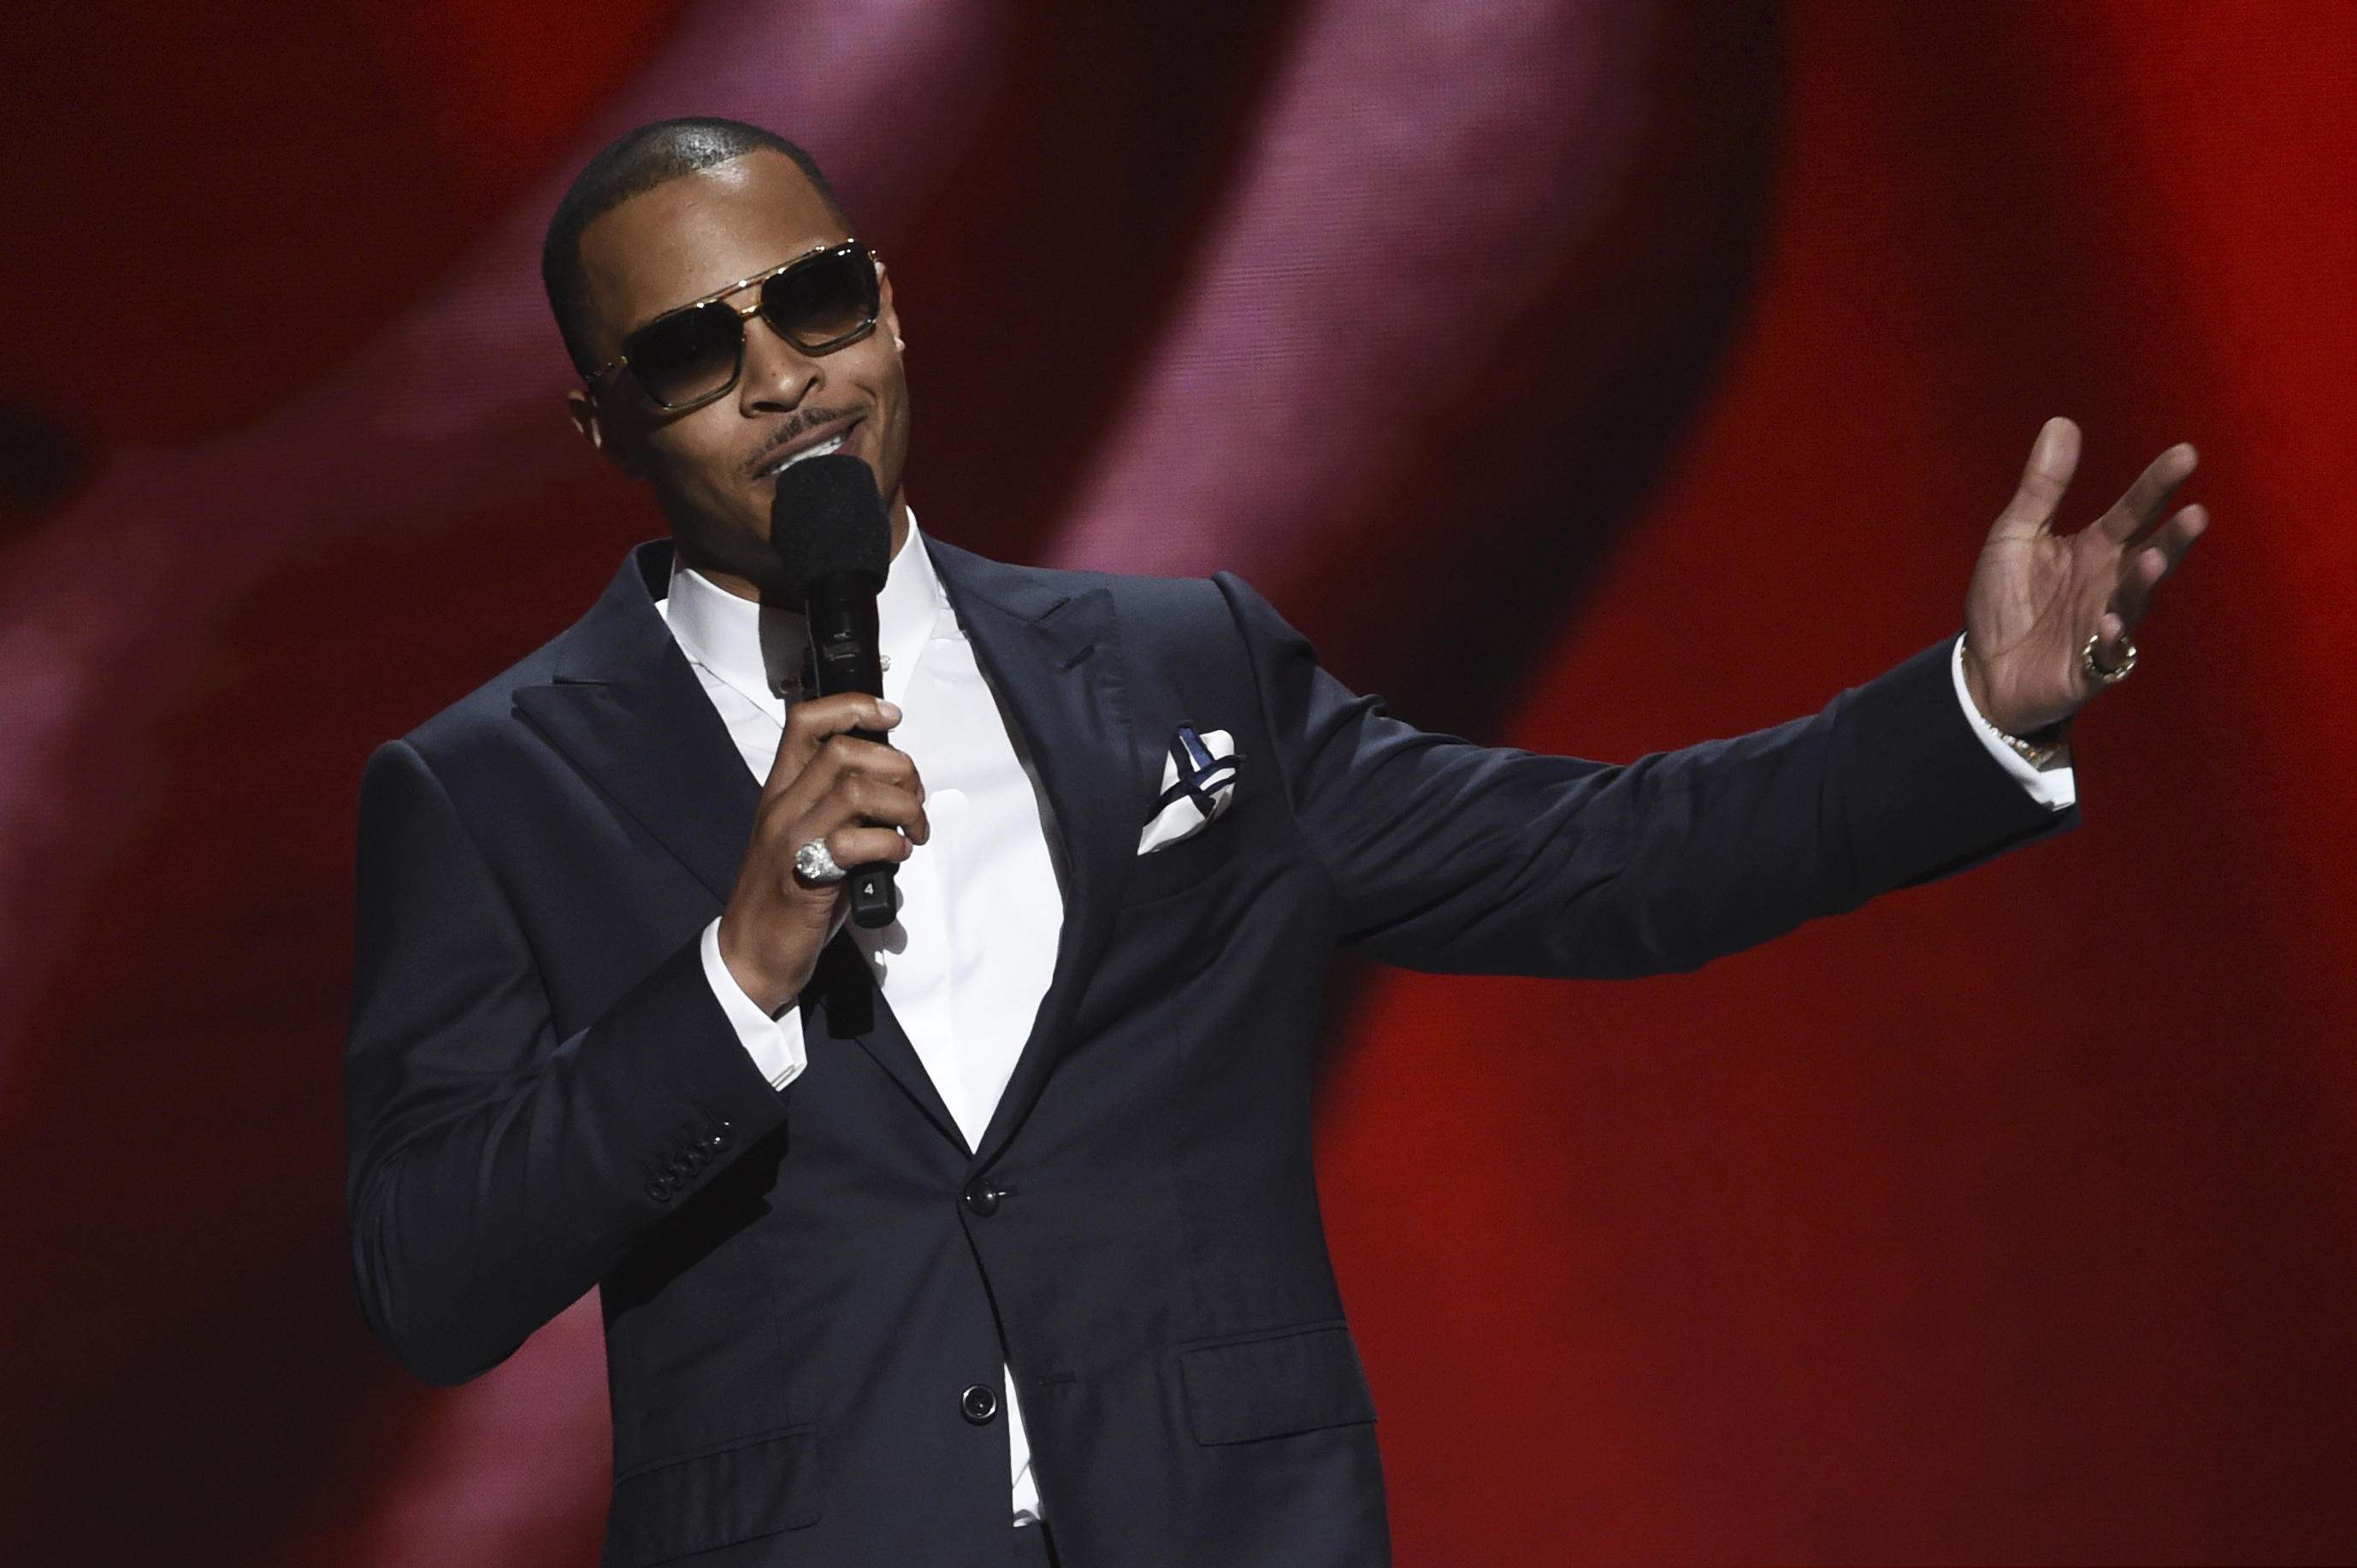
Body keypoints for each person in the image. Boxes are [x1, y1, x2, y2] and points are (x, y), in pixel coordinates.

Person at [344, 118, 2206, 1568]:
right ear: (602, 420)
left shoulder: (1182, 662)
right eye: (691, 346)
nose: (782, 374)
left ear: (888, 303)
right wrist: (737, 969)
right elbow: (432, 1274)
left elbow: (1611, 856)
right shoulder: (491, 783)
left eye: (813, 296)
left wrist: (1973, 706)